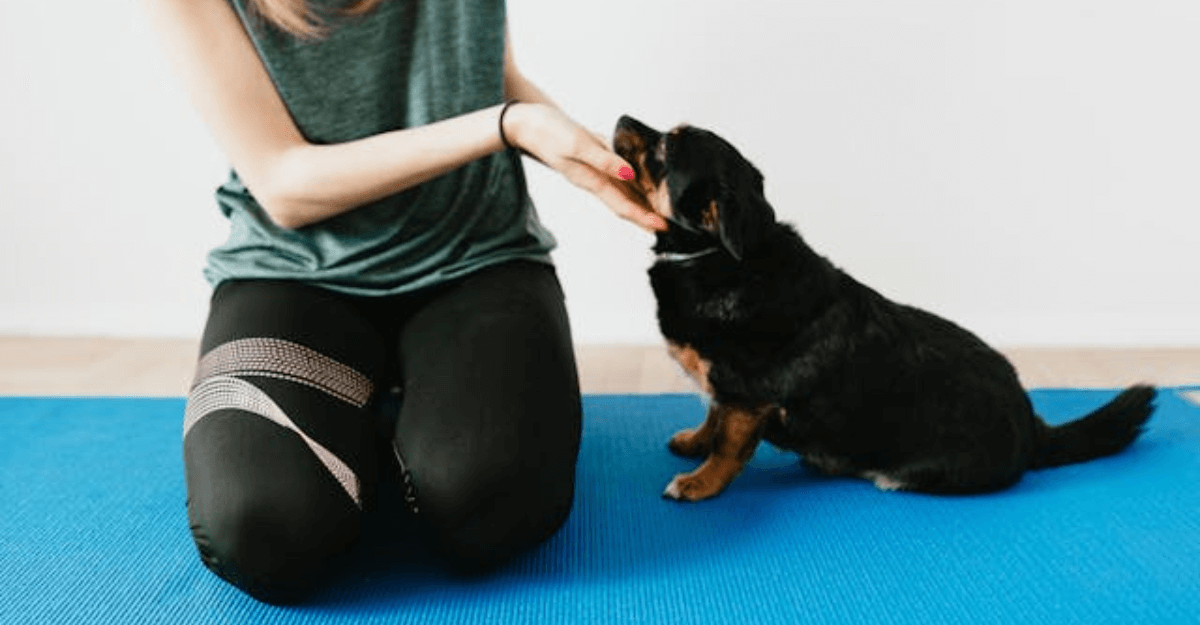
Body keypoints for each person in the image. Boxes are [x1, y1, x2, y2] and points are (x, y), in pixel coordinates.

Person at [142, 0, 667, 605]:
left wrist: (587, 157)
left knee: (491, 508)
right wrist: (508, 125)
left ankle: (401, 425)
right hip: (294, 273)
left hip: (477, 258)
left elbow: (487, 75)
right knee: (264, 533)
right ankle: (384, 419)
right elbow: (284, 185)